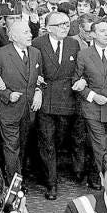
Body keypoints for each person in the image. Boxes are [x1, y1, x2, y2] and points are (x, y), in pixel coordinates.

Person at [33, 10, 81, 200]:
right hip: (45, 100)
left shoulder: (73, 44)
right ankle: (51, 183)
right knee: (47, 142)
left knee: (59, 140)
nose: (64, 28)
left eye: (66, 24)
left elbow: (78, 70)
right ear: (48, 28)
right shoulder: (38, 44)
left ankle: (46, 172)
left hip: (67, 100)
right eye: (60, 25)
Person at [0, 16, 43, 183]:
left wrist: (39, 91)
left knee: (22, 145)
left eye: (30, 31)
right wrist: (7, 93)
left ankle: (16, 176)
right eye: (25, 32)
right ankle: (15, 183)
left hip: (29, 111)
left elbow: (40, 77)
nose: (30, 35)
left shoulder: (36, 53)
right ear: (13, 36)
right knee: (12, 147)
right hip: (9, 110)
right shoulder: (1, 54)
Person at [73, 18, 107, 187]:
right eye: (102, 31)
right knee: (100, 145)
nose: (106, 34)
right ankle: (104, 180)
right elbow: (77, 81)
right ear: (93, 34)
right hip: (92, 107)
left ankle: (94, 174)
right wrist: (93, 95)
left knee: (102, 144)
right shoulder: (84, 54)